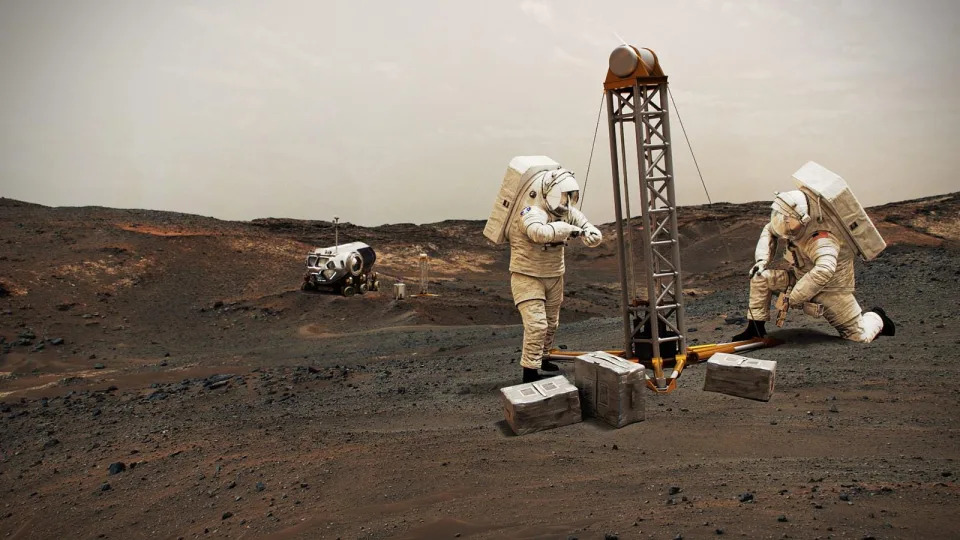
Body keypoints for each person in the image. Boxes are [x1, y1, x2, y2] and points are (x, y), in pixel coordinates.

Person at [732, 190, 895, 342]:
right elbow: (770, 230)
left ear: (802, 218)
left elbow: (825, 270)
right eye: (782, 216)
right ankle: (755, 329)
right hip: (800, 278)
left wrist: (794, 297)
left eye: (787, 218)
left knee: (858, 336)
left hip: (831, 290)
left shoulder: (822, 239)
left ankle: (877, 317)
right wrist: (761, 261)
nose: (783, 221)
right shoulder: (793, 226)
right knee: (760, 277)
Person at [507, 168, 603, 382]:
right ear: (547, 192)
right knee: (537, 324)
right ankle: (530, 372)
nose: (565, 201)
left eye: (568, 196)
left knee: (551, 323)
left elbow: (588, 227)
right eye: (561, 195)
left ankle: (542, 357)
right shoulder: (530, 212)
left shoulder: (565, 212)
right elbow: (538, 233)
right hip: (527, 276)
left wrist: (590, 234)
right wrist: (568, 229)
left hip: (553, 275)